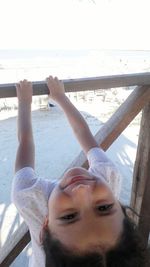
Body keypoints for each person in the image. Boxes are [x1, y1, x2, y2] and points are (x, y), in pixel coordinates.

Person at [11, 77, 147, 267]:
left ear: (45, 229)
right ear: (121, 208)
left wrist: (24, 102)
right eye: (103, 208)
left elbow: (24, 141)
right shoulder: (107, 177)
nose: (82, 190)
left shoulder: (28, 195)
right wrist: (60, 97)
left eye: (69, 216)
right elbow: (83, 132)